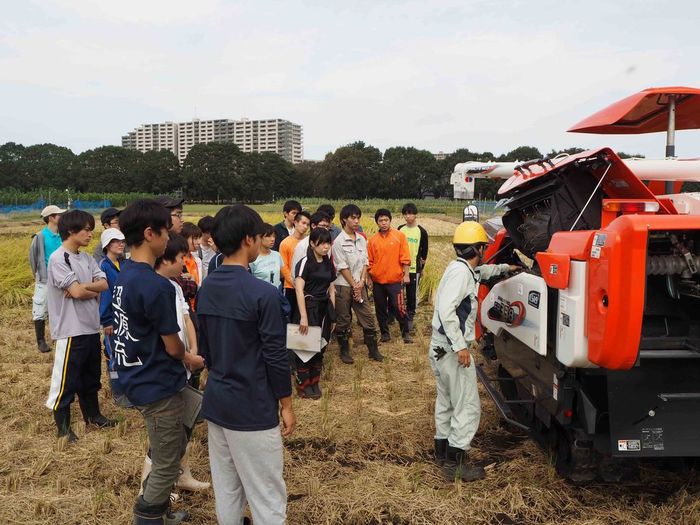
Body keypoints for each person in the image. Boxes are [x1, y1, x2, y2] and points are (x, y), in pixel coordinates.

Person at [197, 204, 296, 525]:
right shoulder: (263, 294)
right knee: (267, 495)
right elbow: (276, 355)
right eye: (258, 236)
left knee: (227, 490)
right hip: (252, 407)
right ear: (248, 240)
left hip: (218, 402)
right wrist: (286, 402)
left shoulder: (207, 287)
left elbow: (207, 351)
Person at [113, 199, 203, 525]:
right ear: (149, 233)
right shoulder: (156, 286)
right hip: (157, 385)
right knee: (166, 461)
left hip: (140, 378)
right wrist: (191, 356)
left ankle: (158, 506)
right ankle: (149, 517)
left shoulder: (124, 277)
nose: (169, 237)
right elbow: (173, 347)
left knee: (194, 411)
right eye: (165, 231)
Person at [429, 221, 518, 482]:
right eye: (483, 247)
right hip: (451, 350)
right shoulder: (461, 274)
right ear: (477, 248)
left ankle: (442, 453)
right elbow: (446, 310)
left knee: (446, 402)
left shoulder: (462, 269)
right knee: (468, 407)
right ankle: (455, 466)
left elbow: (483, 272)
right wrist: (460, 346)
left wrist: (505, 268)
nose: (483, 251)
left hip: (439, 348)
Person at [45, 209, 115, 442]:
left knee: (90, 377)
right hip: (70, 330)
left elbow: (103, 284)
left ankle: (93, 416)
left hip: (89, 327)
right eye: (86, 230)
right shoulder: (58, 259)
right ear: (71, 230)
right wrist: (84, 288)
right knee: (66, 380)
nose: (89, 234)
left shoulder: (86, 258)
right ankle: (63, 427)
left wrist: (82, 288)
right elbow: (76, 291)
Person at [151, 232, 210, 494]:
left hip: (185, 363)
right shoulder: (153, 289)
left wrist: (194, 351)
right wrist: (188, 357)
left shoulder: (173, 285)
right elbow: (164, 337)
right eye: (179, 258)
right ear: (163, 260)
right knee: (162, 441)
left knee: (183, 428)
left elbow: (187, 319)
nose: (184, 263)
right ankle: (154, 494)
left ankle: (182, 475)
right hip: (171, 367)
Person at [332, 204, 382, 363]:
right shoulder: (339, 241)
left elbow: (365, 262)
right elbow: (342, 266)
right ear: (344, 220)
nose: (356, 221)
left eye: (358, 217)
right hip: (343, 286)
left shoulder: (361, 239)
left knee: (367, 316)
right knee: (344, 319)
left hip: (359, 285)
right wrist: (354, 285)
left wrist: (361, 282)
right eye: (353, 218)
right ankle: (344, 351)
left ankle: (373, 350)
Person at [293, 227, 336, 399]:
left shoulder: (328, 262)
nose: (326, 247)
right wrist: (303, 316)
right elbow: (298, 290)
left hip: (324, 309)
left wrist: (333, 314)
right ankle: (303, 384)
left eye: (328, 243)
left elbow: (331, 288)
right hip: (308, 307)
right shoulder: (305, 263)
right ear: (312, 243)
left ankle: (314, 382)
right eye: (322, 243)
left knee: (320, 346)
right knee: (305, 346)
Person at [367, 208, 412, 344]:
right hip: (378, 282)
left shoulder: (399, 236)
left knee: (399, 307)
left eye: (386, 220)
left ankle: (405, 333)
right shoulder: (372, 241)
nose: (384, 223)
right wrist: (369, 278)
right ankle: (385, 334)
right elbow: (369, 262)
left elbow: (405, 258)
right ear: (377, 223)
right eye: (380, 220)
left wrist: (406, 275)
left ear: (390, 221)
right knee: (380, 309)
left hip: (395, 280)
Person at [29, 205, 66, 353]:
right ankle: (41, 341)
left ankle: (59, 337)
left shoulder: (63, 235)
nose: (62, 217)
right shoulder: (40, 236)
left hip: (61, 278)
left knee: (60, 308)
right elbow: (33, 259)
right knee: (40, 308)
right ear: (51, 218)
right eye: (59, 215)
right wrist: (39, 276)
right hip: (44, 279)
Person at [398, 203, 429, 332]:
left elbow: (424, 252)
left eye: (411, 213)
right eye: (406, 214)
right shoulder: (400, 229)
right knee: (398, 294)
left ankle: (410, 317)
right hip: (399, 268)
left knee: (412, 295)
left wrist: (421, 269)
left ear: (415, 214)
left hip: (413, 268)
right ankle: (397, 316)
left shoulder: (421, 231)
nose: (408, 216)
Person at [99, 228, 126, 369]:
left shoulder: (123, 264)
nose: (121, 244)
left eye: (122, 241)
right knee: (114, 350)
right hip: (112, 317)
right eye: (116, 241)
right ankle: (116, 386)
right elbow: (105, 294)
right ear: (107, 245)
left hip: (123, 315)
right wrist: (106, 320)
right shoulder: (104, 266)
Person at [279, 210, 311, 314]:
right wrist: (294, 283)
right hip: (290, 286)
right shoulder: (285, 243)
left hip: (306, 285)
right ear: (295, 222)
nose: (305, 227)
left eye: (308, 224)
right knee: (290, 315)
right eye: (303, 223)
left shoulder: (309, 242)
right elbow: (284, 266)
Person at [291, 211, 331, 280]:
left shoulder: (328, 246)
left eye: (327, 227)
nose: (325, 229)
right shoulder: (302, 245)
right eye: (323, 226)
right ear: (313, 226)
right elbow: (294, 273)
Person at [250, 223, 285, 288]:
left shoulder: (277, 255)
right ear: (259, 237)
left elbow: (281, 275)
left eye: (274, 236)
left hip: (277, 291)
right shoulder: (253, 258)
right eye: (268, 236)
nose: (272, 239)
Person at [179, 222, 203, 313]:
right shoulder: (178, 261)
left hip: (196, 308)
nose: (199, 242)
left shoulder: (197, 261)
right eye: (195, 238)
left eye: (199, 238)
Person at [197, 216, 216, 280]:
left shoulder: (218, 245)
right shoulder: (196, 247)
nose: (211, 235)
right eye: (208, 233)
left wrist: (216, 250)